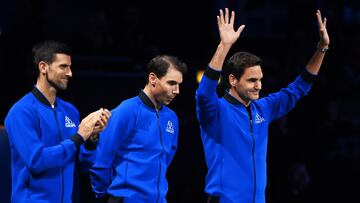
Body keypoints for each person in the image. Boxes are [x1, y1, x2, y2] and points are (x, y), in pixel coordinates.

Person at [195, 8, 329, 203]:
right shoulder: (216, 111)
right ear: (233, 80)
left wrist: (322, 48)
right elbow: (203, 94)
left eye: (260, 79)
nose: (259, 85)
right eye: (251, 80)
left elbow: (298, 89)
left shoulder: (262, 109)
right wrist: (224, 46)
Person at [4, 40, 111, 203]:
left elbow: (81, 165)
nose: (70, 73)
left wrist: (90, 141)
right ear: (43, 67)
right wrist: (78, 137)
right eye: (63, 66)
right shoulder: (21, 112)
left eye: (70, 67)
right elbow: (37, 161)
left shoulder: (70, 111)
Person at [90, 55, 188, 203]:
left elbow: (166, 159)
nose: (177, 91)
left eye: (179, 84)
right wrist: (105, 194)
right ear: (153, 78)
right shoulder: (127, 110)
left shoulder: (171, 117)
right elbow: (102, 157)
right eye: (171, 83)